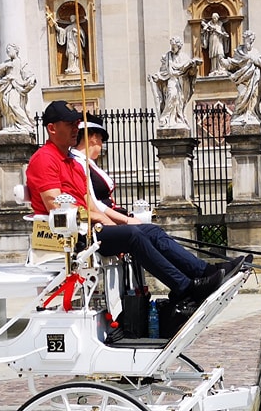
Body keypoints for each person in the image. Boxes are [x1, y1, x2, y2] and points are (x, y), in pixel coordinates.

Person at [27, 101, 240, 306]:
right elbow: (57, 208)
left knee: (150, 231)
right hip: (71, 234)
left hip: (89, 228)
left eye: (76, 123)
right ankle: (185, 287)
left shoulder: (72, 162)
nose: (76, 128)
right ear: (52, 128)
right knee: (133, 235)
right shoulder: (44, 159)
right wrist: (106, 222)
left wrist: (111, 223)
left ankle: (204, 271)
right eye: (70, 124)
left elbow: (89, 202)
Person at [150, 37, 201, 129]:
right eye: (171, 46)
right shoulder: (168, 57)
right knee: (172, 95)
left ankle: (178, 119)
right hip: (172, 79)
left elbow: (191, 74)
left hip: (182, 82)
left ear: (179, 46)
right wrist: (157, 77)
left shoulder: (185, 57)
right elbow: (163, 71)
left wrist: (193, 66)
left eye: (174, 46)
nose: (172, 48)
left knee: (179, 102)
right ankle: (165, 118)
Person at [0, 44, 37, 134]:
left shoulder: (21, 62)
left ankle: (26, 124)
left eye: (9, 49)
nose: (7, 51)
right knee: (7, 105)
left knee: (14, 104)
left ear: (16, 50)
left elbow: (28, 74)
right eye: (6, 50)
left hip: (16, 86)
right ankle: (11, 125)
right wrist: (6, 65)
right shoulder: (6, 62)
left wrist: (31, 79)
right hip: (6, 86)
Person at [224, 30, 261, 126]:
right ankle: (239, 113)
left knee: (253, 96)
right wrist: (225, 63)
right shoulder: (239, 51)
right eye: (249, 39)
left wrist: (254, 59)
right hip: (241, 78)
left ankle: (251, 114)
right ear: (245, 38)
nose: (250, 41)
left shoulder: (255, 51)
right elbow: (233, 64)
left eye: (252, 40)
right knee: (242, 95)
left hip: (254, 79)